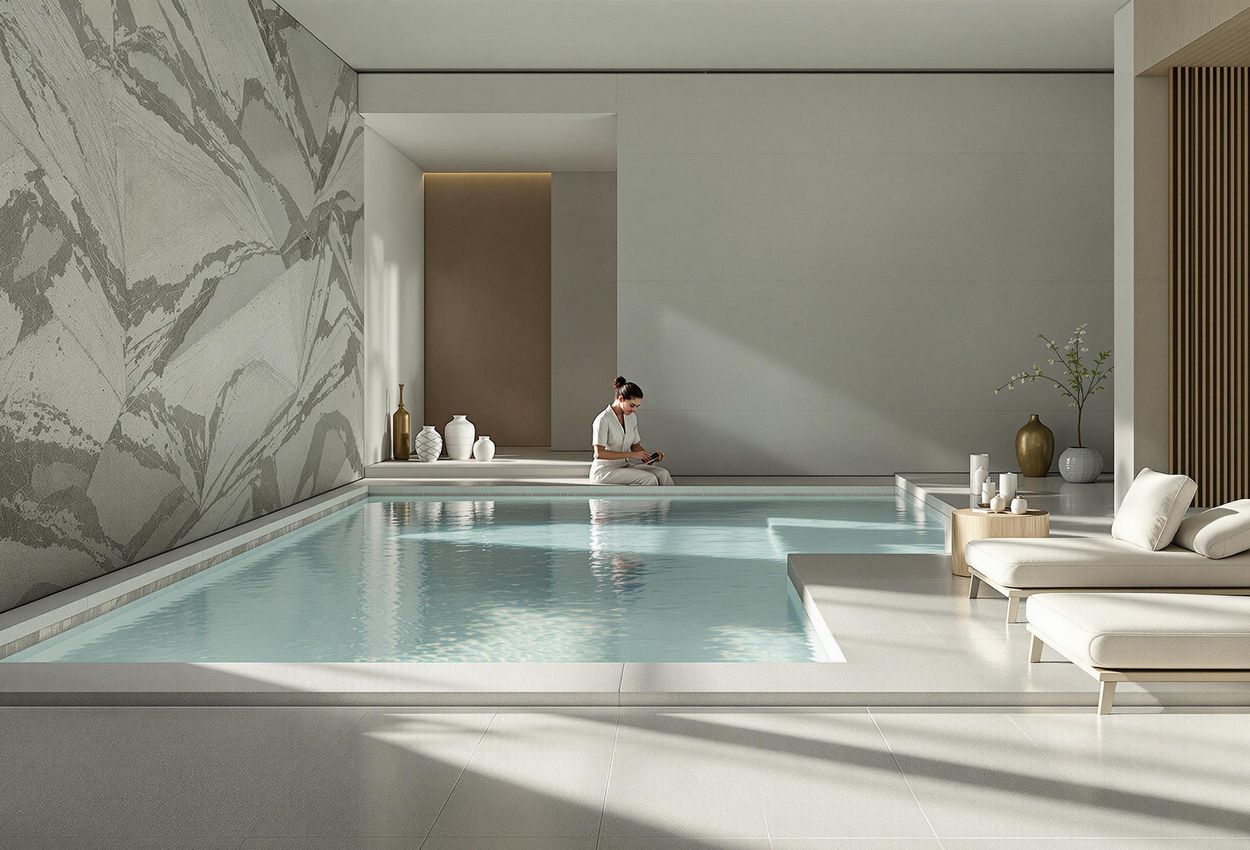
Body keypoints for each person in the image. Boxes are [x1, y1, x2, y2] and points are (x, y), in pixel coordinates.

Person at [590, 376, 674, 486]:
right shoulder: (603, 419)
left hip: (623, 466)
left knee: (663, 473)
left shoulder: (631, 417)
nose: (634, 410)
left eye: (637, 406)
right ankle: (652, 503)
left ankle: (668, 503)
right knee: (649, 479)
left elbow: (635, 446)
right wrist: (632, 454)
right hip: (605, 470)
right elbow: (599, 453)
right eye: (632, 405)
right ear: (621, 399)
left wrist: (648, 457)